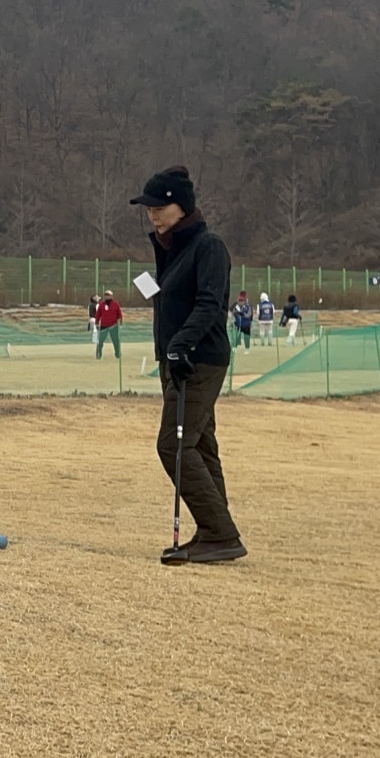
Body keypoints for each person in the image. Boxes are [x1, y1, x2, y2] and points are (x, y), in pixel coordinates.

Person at [132, 165, 245, 565]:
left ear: (181, 206)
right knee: (200, 445)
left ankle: (219, 532)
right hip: (177, 360)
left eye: (159, 208)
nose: (153, 216)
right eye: (148, 210)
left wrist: (181, 345)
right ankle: (216, 530)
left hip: (199, 359)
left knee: (174, 445)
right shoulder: (172, 249)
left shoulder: (208, 247)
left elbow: (210, 305)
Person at [94, 290, 123, 360]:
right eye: (106, 295)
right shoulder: (102, 304)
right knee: (100, 341)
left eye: (108, 295)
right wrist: (97, 323)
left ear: (111, 296)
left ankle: (118, 355)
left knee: (116, 341)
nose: (107, 297)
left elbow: (119, 314)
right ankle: (98, 355)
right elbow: (98, 314)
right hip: (103, 326)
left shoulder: (115, 304)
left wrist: (120, 323)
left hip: (113, 326)